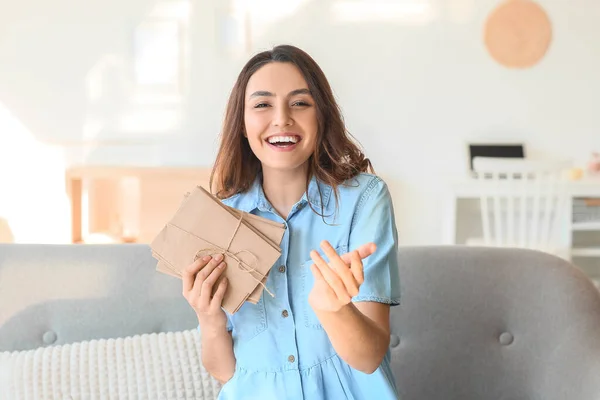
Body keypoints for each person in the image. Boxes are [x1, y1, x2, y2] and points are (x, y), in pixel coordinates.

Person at [182, 44, 401, 400]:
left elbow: (369, 357)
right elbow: (224, 372)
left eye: (300, 103)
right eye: (262, 104)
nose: (282, 118)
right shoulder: (220, 217)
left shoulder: (364, 199)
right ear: (242, 123)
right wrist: (208, 317)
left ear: (322, 115)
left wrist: (334, 309)